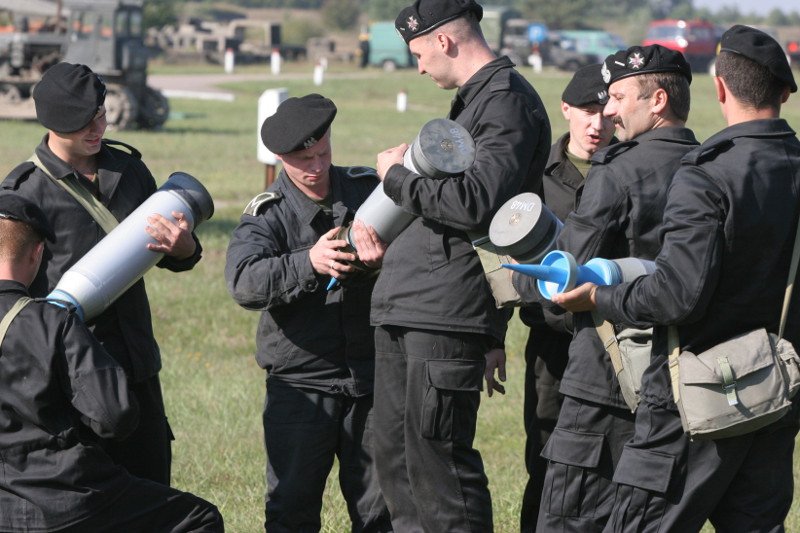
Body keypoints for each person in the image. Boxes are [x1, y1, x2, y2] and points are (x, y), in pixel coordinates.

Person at [553, 25, 800, 532]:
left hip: (693, 397)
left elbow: (676, 295)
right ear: (785, 92)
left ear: (722, 89)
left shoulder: (709, 173)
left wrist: (601, 294)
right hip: (775, 394)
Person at [372, 0, 551, 530]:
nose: (419, 67)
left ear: (446, 41)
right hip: (413, 305)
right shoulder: (476, 101)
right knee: (398, 461)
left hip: (446, 312)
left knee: (439, 464)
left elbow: (477, 202)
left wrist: (397, 179)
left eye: (420, 53)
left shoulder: (506, 103)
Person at [513, 44, 698, 532]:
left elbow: (563, 274)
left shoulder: (617, 171)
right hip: (683, 382)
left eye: (617, 97)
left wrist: (519, 277)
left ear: (656, 101)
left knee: (571, 518)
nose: (609, 112)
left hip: (604, 381)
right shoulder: (710, 167)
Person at [1, 62, 202, 485]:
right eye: (81, 123)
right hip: (71, 372)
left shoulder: (129, 171)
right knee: (85, 494)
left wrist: (185, 249)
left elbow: (164, 252)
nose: (96, 129)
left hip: (136, 362)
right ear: (51, 122)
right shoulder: (24, 193)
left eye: (100, 114)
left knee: (150, 488)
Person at [0, 191, 223, 532]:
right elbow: (115, 417)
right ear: (37, 253)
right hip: (67, 499)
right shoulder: (52, 323)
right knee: (198, 518)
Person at [225, 93, 392, 533]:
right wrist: (308, 262)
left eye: (323, 153)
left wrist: (383, 261)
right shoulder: (267, 215)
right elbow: (243, 282)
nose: (317, 167)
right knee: (292, 510)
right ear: (281, 158)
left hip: (370, 379)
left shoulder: (365, 190)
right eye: (304, 160)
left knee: (382, 512)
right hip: (301, 384)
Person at [518, 63, 615, 532]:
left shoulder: (626, 170)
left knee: (611, 467)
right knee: (546, 459)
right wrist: (491, 340)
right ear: (566, 109)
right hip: (552, 347)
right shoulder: (534, 177)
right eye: (586, 111)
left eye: (605, 112)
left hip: (613, 340)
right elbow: (502, 259)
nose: (597, 124)